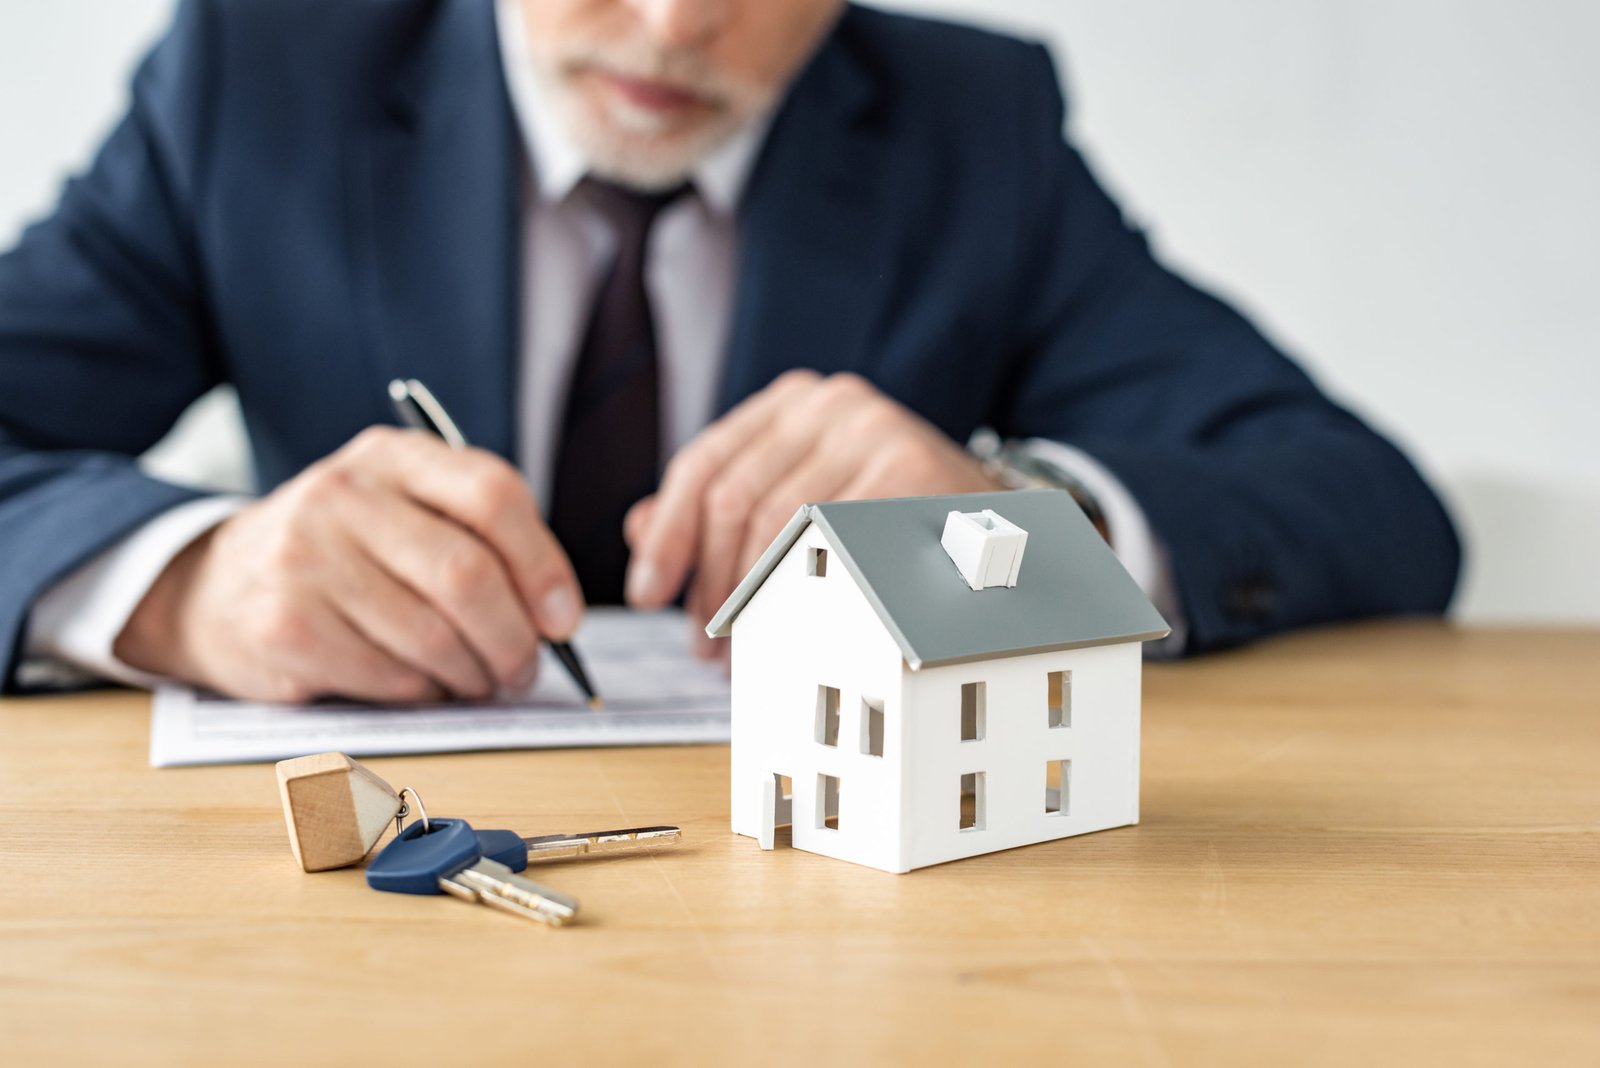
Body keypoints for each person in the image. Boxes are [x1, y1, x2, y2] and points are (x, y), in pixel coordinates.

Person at [0, 0, 1459, 703]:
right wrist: (182, 587)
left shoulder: (973, 127)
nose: (676, 17)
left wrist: (1020, 531)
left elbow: (1372, 504)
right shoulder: (257, 78)